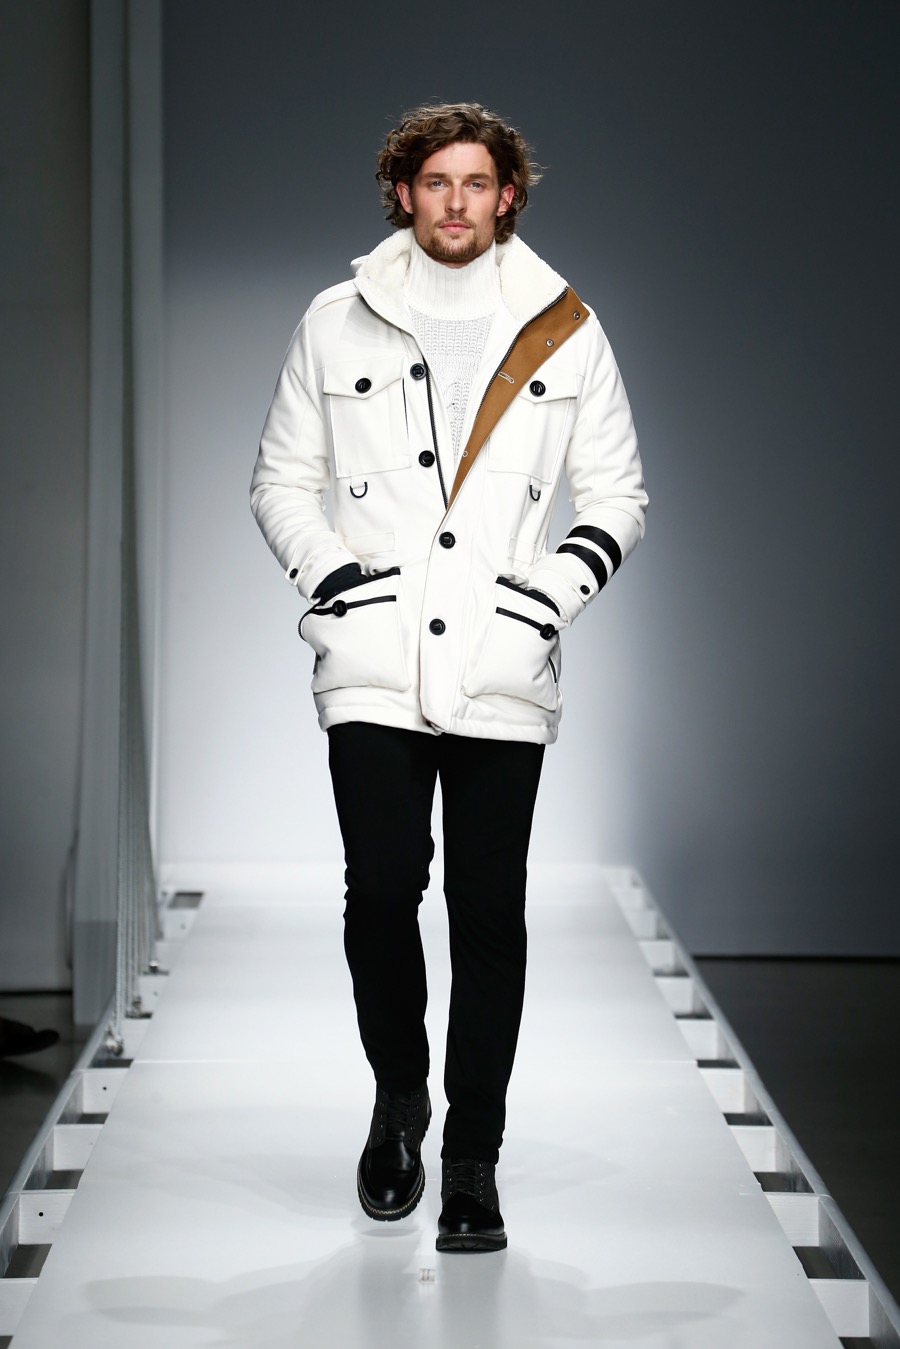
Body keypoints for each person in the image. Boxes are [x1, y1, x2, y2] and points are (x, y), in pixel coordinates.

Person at [250, 102, 647, 1253]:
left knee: (488, 911)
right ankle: (398, 1096)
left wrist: (545, 600)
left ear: (508, 193)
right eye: (436, 182)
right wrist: (335, 579)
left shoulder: (565, 325)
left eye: (477, 182)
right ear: (403, 193)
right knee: (380, 893)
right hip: (374, 657)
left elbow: (619, 492)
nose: (457, 201)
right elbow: (280, 478)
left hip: (500, 663)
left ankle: (473, 1156)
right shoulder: (336, 321)